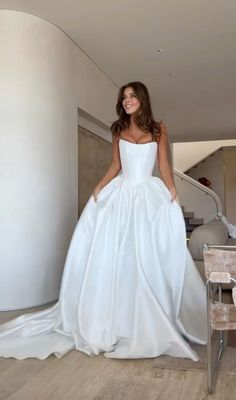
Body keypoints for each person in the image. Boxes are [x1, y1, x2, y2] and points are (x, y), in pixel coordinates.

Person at [0, 81, 207, 361]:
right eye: (124, 97)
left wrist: (172, 189)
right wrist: (99, 187)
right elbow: (116, 165)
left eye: (132, 96)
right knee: (115, 254)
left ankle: (147, 316)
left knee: (144, 255)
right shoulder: (118, 129)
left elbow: (164, 166)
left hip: (147, 194)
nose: (127, 101)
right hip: (120, 195)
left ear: (142, 99)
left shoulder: (159, 129)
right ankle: (114, 316)